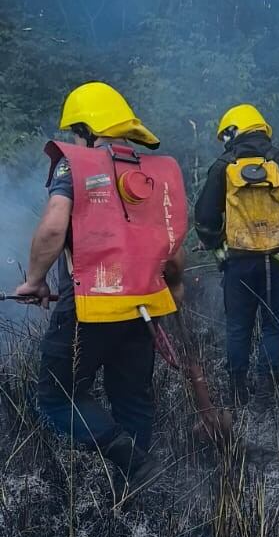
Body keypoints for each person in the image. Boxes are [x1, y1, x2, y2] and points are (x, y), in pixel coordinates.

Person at [12, 82, 187, 493]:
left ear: (87, 129)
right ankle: (140, 488)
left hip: (91, 305)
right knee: (132, 399)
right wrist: (173, 292)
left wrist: (34, 281)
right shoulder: (154, 172)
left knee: (56, 398)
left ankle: (127, 458)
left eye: (76, 132)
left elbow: (55, 225)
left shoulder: (75, 165)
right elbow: (174, 244)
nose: (75, 140)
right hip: (144, 306)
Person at [194, 103, 279, 405]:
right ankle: (266, 392)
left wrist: (219, 249)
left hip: (239, 264)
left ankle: (237, 392)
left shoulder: (223, 166)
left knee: (238, 327)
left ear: (233, 132)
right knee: (274, 326)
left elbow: (205, 218)